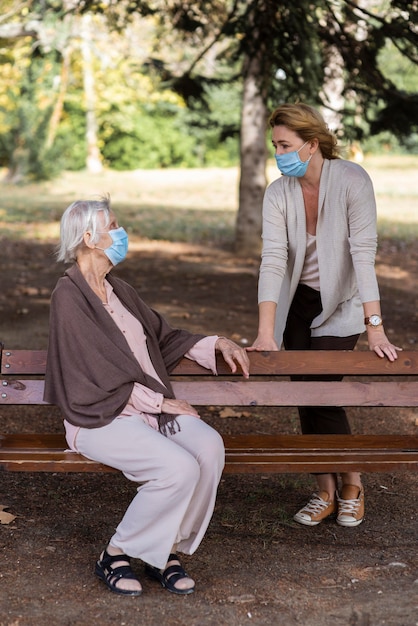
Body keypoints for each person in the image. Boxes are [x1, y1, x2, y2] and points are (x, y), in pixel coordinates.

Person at [44, 196, 250, 597]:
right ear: (89, 237)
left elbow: (164, 337)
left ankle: (163, 550)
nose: (122, 234)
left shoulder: (119, 290)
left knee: (208, 446)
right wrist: (161, 403)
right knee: (177, 468)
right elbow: (96, 372)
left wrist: (217, 343)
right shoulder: (67, 297)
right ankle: (115, 553)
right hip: (100, 416)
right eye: (114, 226)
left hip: (147, 414)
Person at [248, 103, 401, 528]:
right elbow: (273, 260)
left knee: (325, 390)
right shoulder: (279, 192)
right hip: (297, 300)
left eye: (285, 145)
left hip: (343, 301)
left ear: (312, 145)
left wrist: (375, 329)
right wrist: (266, 333)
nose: (278, 153)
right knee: (303, 392)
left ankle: (351, 482)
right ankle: (325, 490)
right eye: (275, 145)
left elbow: (363, 256)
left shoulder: (352, 180)